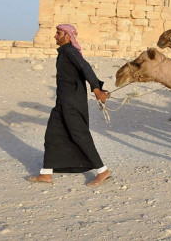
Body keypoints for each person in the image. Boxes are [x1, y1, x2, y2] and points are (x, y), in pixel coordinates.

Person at [27, 24, 111, 186]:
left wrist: (96, 90)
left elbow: (85, 67)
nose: (55, 36)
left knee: (80, 135)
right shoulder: (64, 52)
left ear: (67, 35)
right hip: (62, 102)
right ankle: (46, 173)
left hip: (72, 102)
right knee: (52, 133)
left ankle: (103, 171)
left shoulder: (70, 51)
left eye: (58, 33)